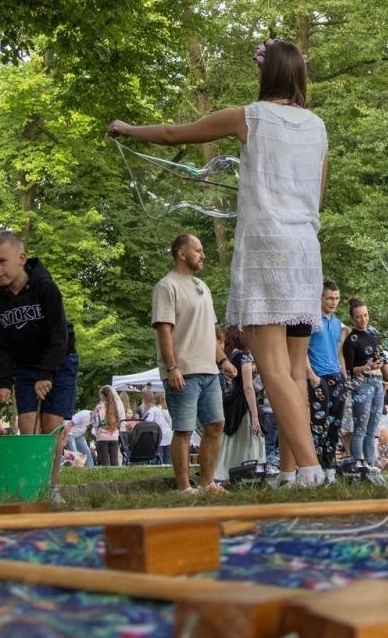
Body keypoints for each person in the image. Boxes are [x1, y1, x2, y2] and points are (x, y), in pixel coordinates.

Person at [109, 37, 327, 487]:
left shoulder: (250, 116)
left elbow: (174, 134)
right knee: (293, 371)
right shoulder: (318, 127)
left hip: (267, 247)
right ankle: (290, 473)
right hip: (306, 250)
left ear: (267, 73)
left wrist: (128, 129)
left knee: (271, 367)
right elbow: (315, 196)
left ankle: (311, 470)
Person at [0, 231, 79, 492]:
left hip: (59, 363)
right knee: (28, 425)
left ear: (21, 258)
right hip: (25, 367)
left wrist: (47, 373)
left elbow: (59, 334)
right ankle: (32, 486)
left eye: (2, 261)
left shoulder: (46, 288)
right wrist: (4, 381)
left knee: (52, 427)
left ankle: (52, 487)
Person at [149, 234, 226, 492]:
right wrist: (172, 367)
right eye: (198, 250)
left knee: (216, 425)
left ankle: (207, 483)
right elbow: (164, 330)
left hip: (210, 371)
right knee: (183, 430)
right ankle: (184, 487)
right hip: (183, 371)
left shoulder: (203, 286)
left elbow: (209, 331)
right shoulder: (166, 286)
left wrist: (223, 360)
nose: (203, 255)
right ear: (182, 254)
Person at [305, 282, 347, 481]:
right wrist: (312, 376)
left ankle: (329, 466)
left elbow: (339, 352)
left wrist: (343, 375)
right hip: (318, 376)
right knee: (319, 424)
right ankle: (315, 466)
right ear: (320, 298)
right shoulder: (312, 321)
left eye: (337, 298)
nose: (333, 302)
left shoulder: (338, 323)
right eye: (330, 298)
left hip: (336, 376)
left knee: (335, 424)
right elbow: (301, 350)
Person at [340, 298, 385, 481]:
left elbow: (381, 356)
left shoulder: (373, 335)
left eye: (365, 315)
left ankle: (370, 467)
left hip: (378, 381)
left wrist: (380, 365)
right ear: (352, 319)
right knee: (360, 429)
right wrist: (366, 367)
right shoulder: (351, 340)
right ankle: (358, 467)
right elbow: (349, 369)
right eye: (359, 317)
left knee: (372, 430)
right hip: (362, 383)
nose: (363, 319)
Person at [214, 326, 266, 482]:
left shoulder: (227, 357)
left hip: (229, 407)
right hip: (243, 407)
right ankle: (249, 473)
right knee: (249, 441)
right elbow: (248, 387)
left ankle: (224, 472)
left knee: (230, 442)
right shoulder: (244, 356)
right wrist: (255, 416)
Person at [93, 386, 127, 466]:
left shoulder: (99, 407)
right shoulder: (116, 406)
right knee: (114, 461)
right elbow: (120, 420)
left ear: (102, 395)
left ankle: (107, 474)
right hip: (114, 436)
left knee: (105, 461)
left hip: (102, 436)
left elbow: (95, 423)